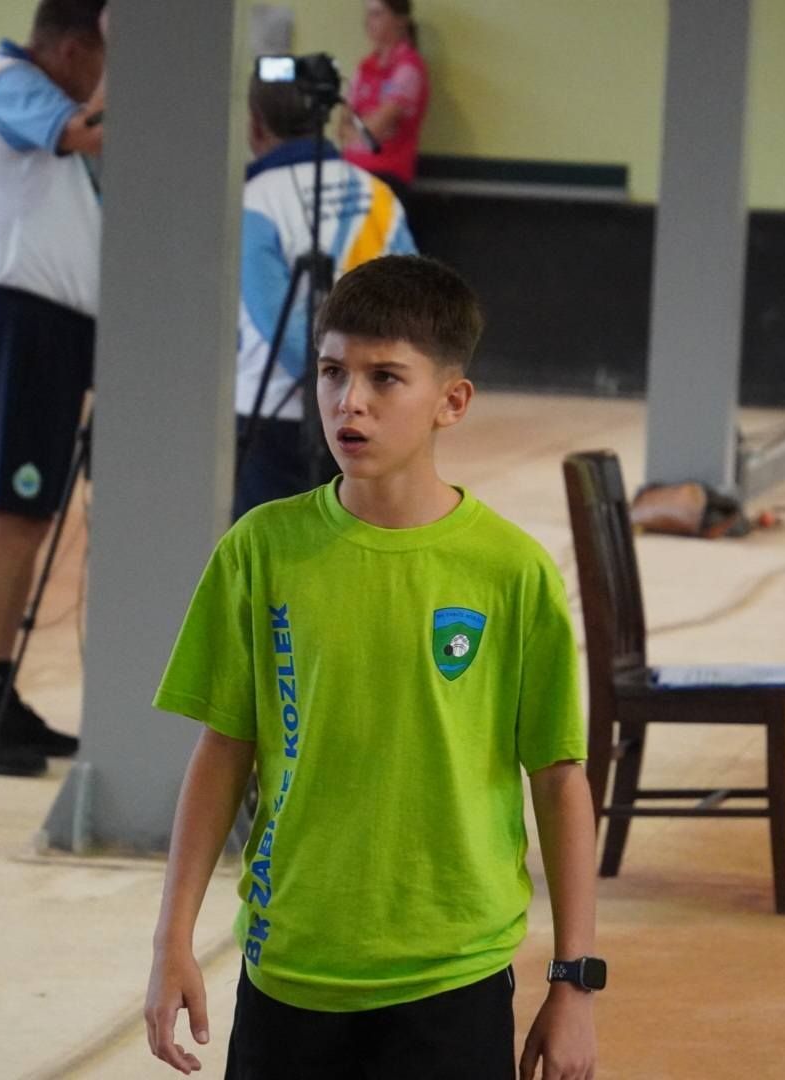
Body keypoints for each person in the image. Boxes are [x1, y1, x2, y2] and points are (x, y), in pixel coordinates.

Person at [145, 255, 604, 1079]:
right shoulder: (261, 550)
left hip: (453, 973)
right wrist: (171, 940)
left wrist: (574, 983)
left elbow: (559, 778)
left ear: (451, 401)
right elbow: (223, 750)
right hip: (292, 967)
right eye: (332, 372)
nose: (348, 401)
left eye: (385, 378)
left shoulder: (511, 572)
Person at [0, 0, 107, 778]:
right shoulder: (6, 82)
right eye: (101, 59)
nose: (100, 79)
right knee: (7, 518)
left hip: (49, 331)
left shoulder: (30, 95)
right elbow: (90, 131)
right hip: (17, 326)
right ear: (71, 50)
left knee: (29, 520)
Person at [234, 73, 416, 519]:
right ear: (327, 119)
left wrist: (334, 386)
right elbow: (416, 306)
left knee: (269, 554)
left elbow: (278, 324)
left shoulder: (255, 201)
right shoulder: (378, 195)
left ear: (255, 124)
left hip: (275, 418)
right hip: (372, 415)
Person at [339, 0, 430, 204]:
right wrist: (362, 128)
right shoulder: (365, 66)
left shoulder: (409, 68)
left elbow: (374, 132)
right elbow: (343, 126)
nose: (368, 21)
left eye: (377, 14)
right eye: (368, 14)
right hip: (351, 173)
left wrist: (359, 127)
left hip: (386, 177)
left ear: (400, 21)